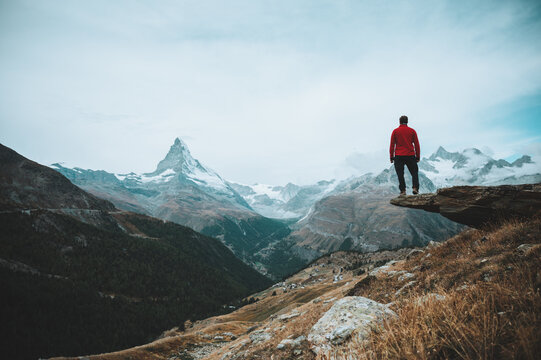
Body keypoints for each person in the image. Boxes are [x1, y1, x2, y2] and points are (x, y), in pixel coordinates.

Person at [389, 115, 420, 195]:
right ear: (407, 121)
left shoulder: (395, 131)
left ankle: (403, 191)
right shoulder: (412, 131)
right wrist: (418, 156)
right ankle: (415, 188)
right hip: (410, 154)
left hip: (399, 155)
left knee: (400, 174)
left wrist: (391, 156)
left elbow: (392, 145)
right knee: (414, 172)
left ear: (399, 122)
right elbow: (417, 144)